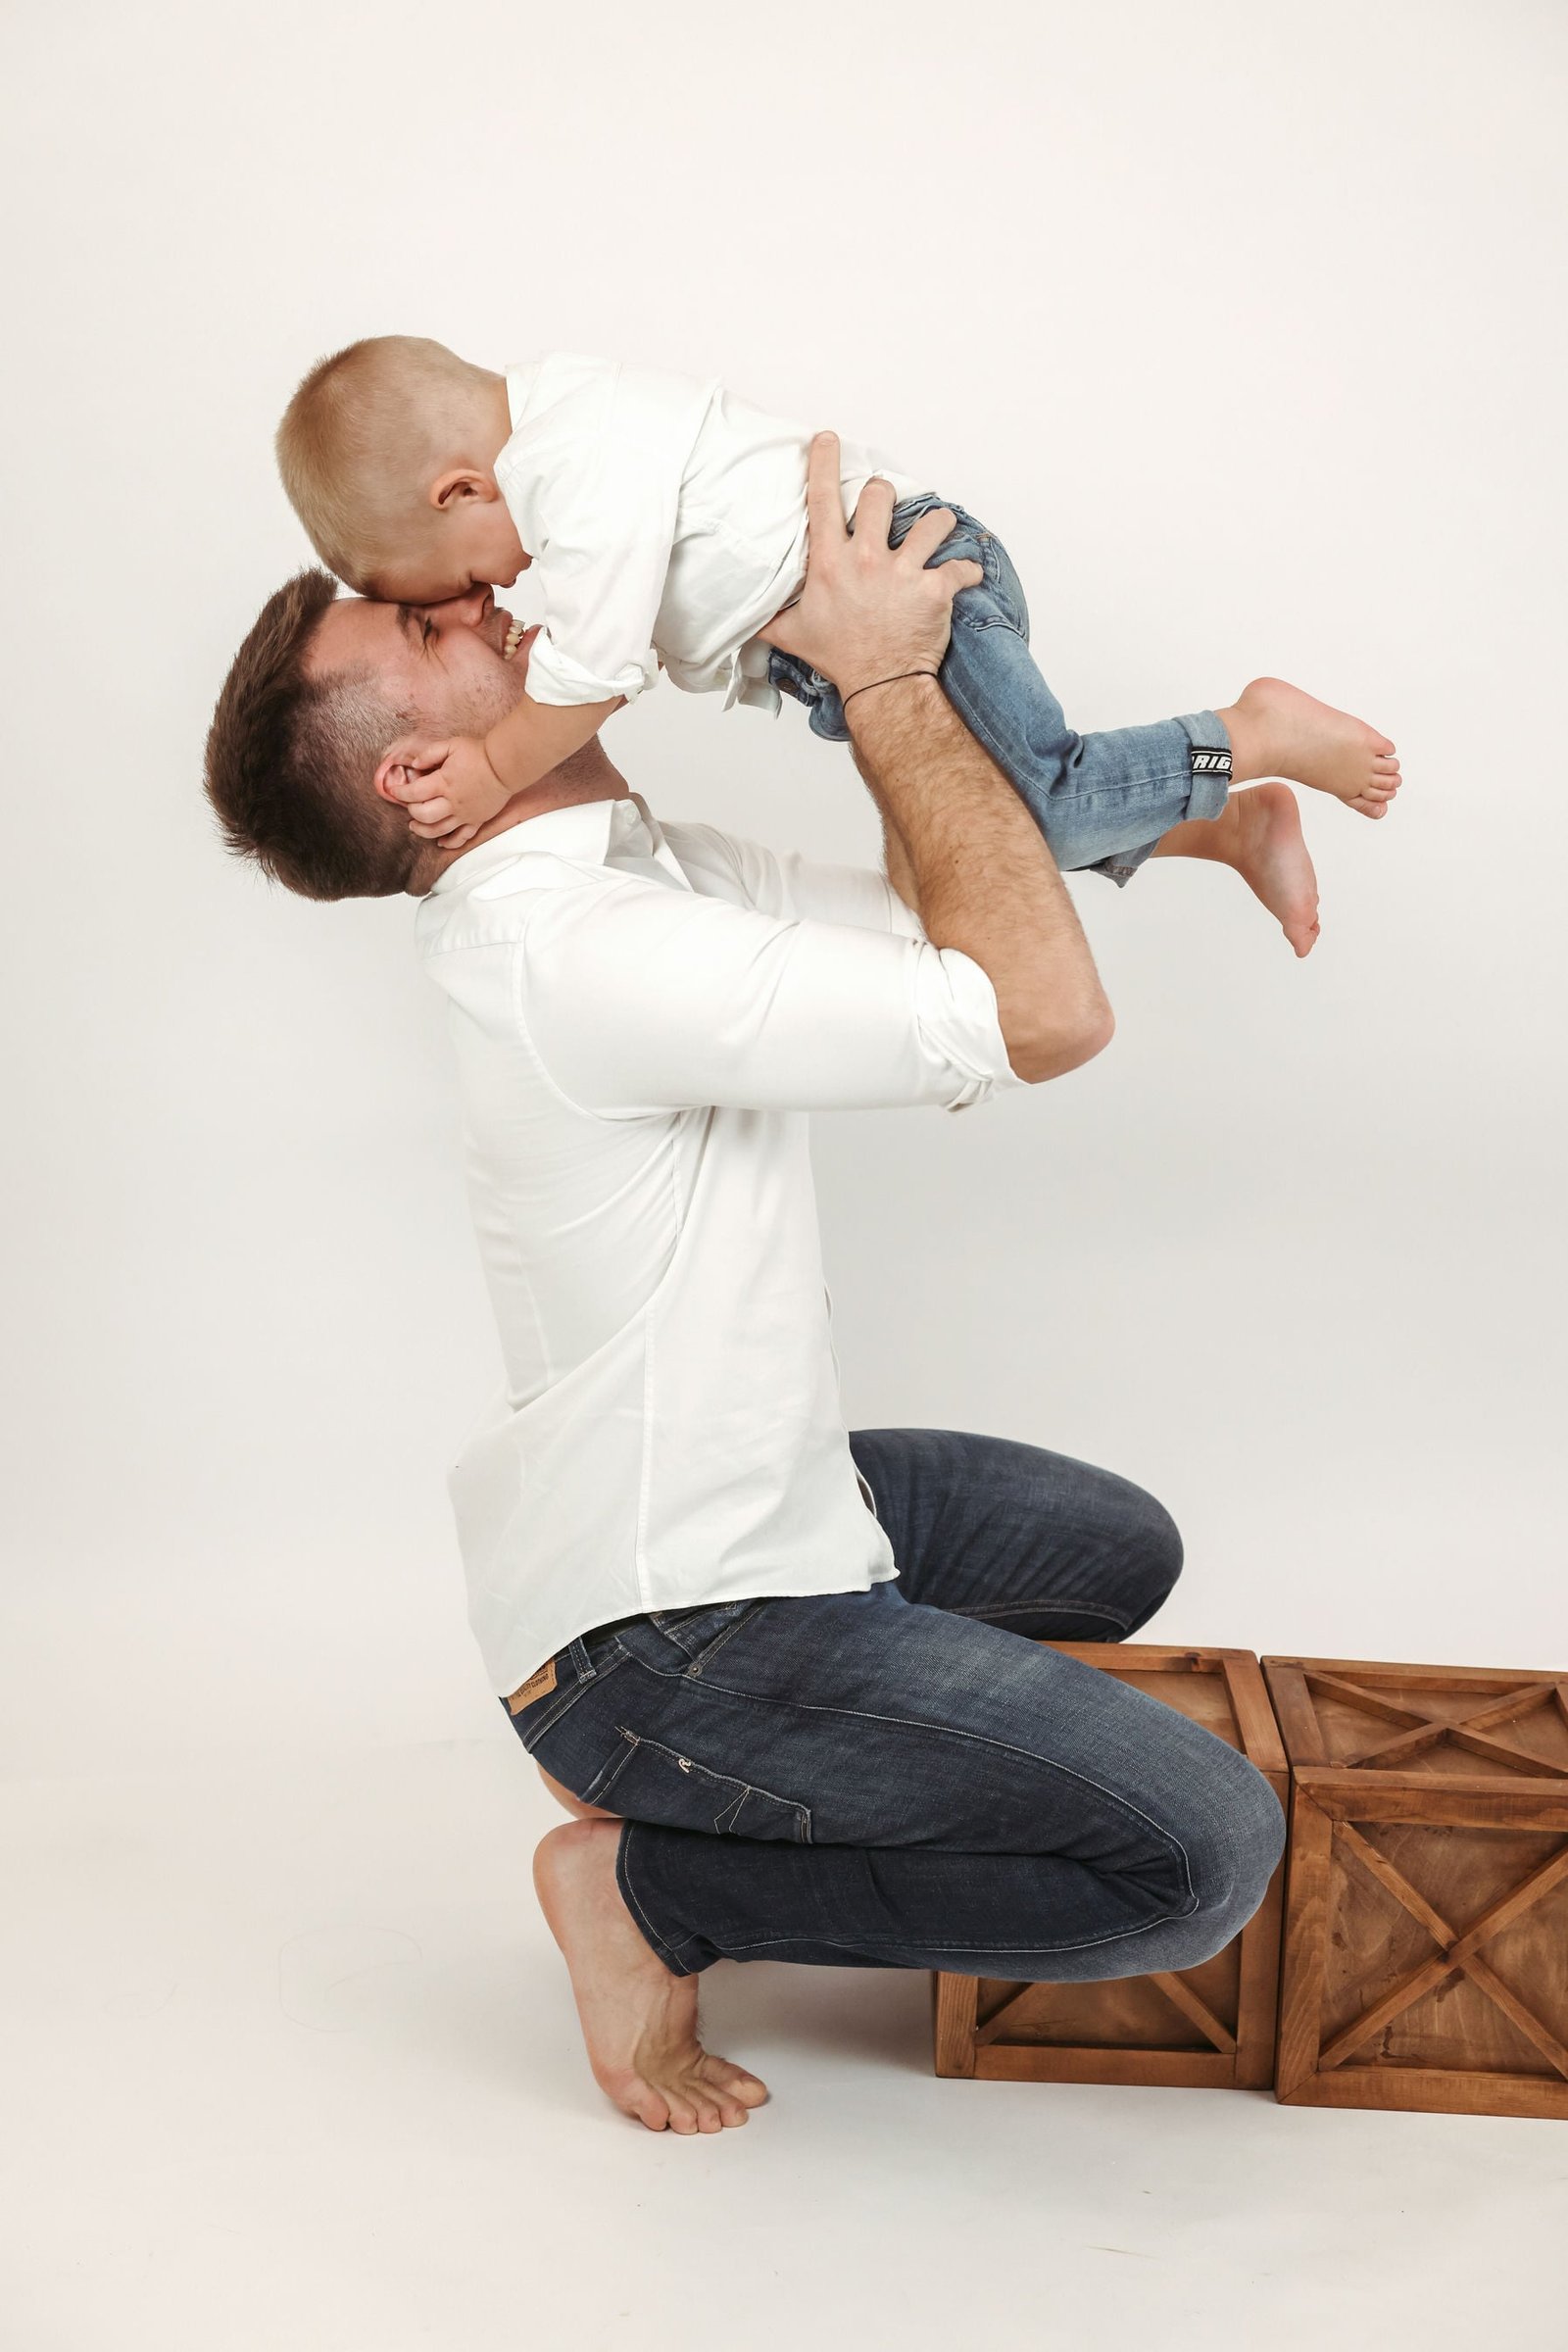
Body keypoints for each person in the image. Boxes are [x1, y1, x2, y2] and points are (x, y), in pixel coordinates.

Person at [205, 438, 1286, 2133]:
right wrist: (885, 679)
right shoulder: (578, 952)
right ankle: (657, 1889)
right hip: (672, 1634)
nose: (483, 590)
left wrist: (1172, 793)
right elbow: (1041, 1013)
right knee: (1202, 1856)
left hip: (746, 1512)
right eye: (426, 626)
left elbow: (953, 907)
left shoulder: (636, 874)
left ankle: (815, 1756)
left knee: (1110, 1550)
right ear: (422, 774)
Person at [273, 338, 1402, 958]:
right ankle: (1221, 822)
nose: (497, 594)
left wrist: (492, 762)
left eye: (463, 580)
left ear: (460, 491)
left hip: (913, 576)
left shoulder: (569, 465)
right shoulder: (561, 440)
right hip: (848, 643)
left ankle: (1247, 735)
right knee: (966, 856)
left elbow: (598, 666)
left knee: (1038, 817)